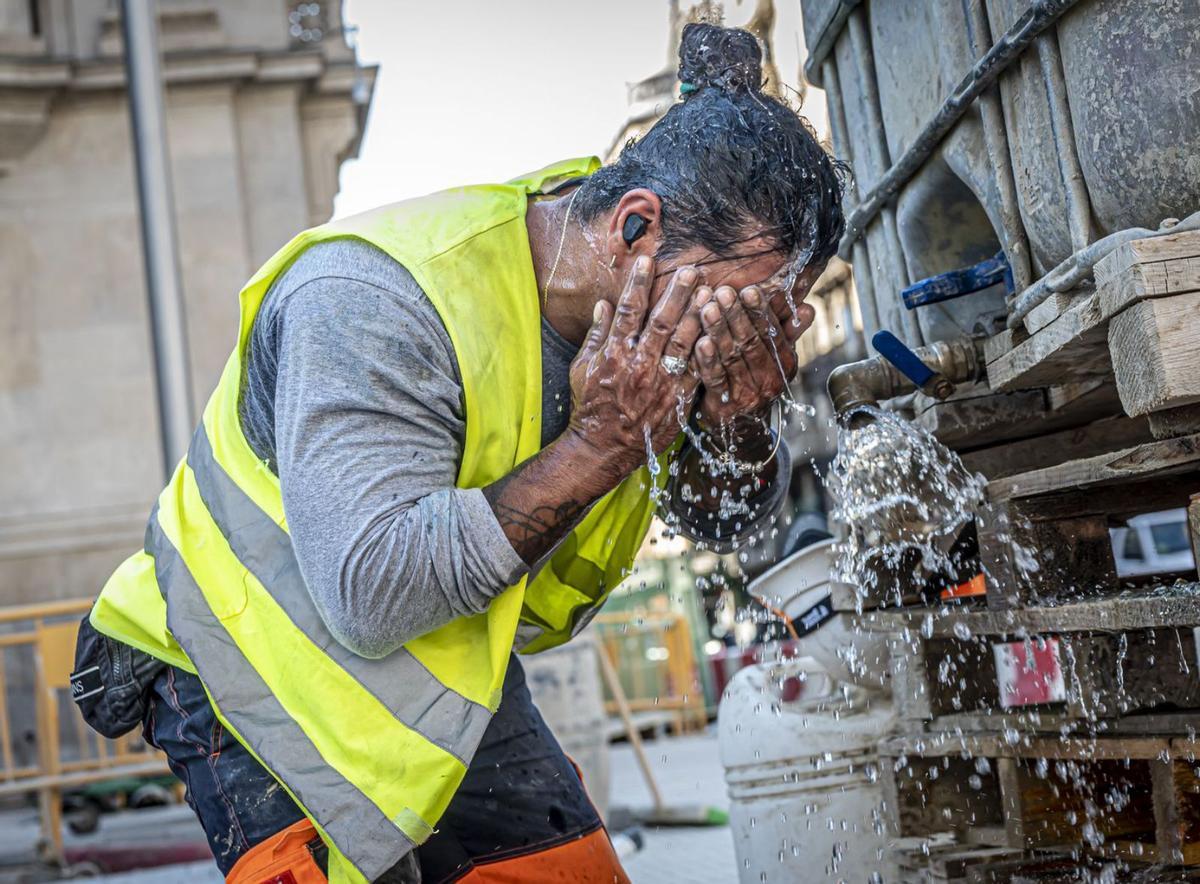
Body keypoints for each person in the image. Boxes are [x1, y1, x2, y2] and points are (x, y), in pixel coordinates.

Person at [81, 22, 846, 884]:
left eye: (776, 315)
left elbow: (715, 516)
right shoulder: (370, 302)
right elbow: (372, 588)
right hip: (245, 660)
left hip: (435, 654)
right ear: (636, 227)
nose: (744, 334)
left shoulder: (661, 303)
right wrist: (601, 445)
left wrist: (745, 414)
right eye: (741, 306)